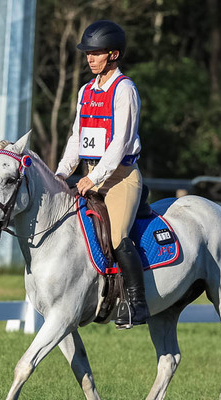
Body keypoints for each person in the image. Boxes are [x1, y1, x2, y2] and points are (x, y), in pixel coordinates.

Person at [54, 19, 150, 329]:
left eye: (96, 53)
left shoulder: (125, 90)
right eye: (88, 53)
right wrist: (61, 172)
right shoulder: (85, 91)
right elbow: (76, 137)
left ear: (114, 54)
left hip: (120, 177)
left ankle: (137, 304)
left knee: (119, 236)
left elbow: (120, 143)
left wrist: (93, 178)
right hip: (90, 175)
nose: (90, 58)